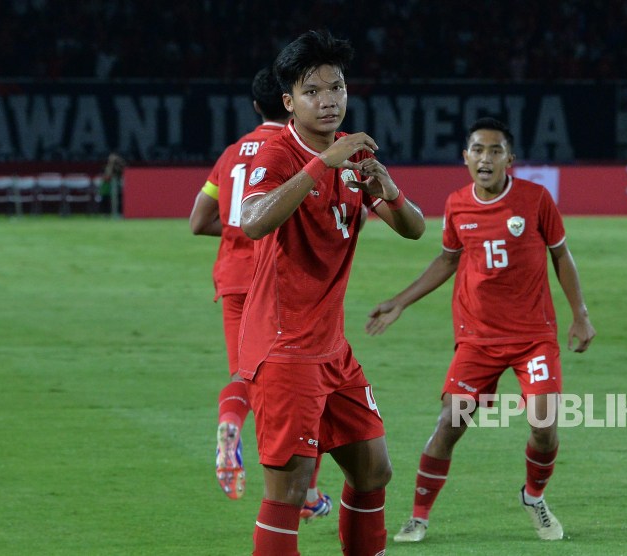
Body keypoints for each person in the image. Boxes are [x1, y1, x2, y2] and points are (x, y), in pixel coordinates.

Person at [239, 30, 426, 556]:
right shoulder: (280, 153)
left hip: (332, 350)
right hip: (284, 348)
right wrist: (323, 162)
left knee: (373, 470)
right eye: (313, 91)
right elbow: (252, 222)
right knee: (290, 490)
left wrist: (386, 188)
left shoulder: (354, 159)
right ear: (288, 102)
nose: (328, 101)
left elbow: (413, 229)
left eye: (337, 88)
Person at [366, 117, 596, 543]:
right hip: (478, 338)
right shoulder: (457, 204)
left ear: (510, 158)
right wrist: (400, 301)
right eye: (476, 149)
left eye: (494, 150)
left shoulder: (536, 199)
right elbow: (447, 260)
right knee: (449, 425)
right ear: (465, 157)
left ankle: (533, 495)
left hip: (534, 336)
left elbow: (561, 255)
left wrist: (580, 313)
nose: (484, 158)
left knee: (544, 426)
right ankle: (418, 516)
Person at [189, 69, 333, 521]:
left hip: (233, 277)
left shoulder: (233, 153)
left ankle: (232, 424)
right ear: (291, 101)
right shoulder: (294, 151)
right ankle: (306, 495)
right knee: (306, 385)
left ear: (256, 106)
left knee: (246, 373)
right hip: (279, 281)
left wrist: (237, 233)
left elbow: (199, 220)